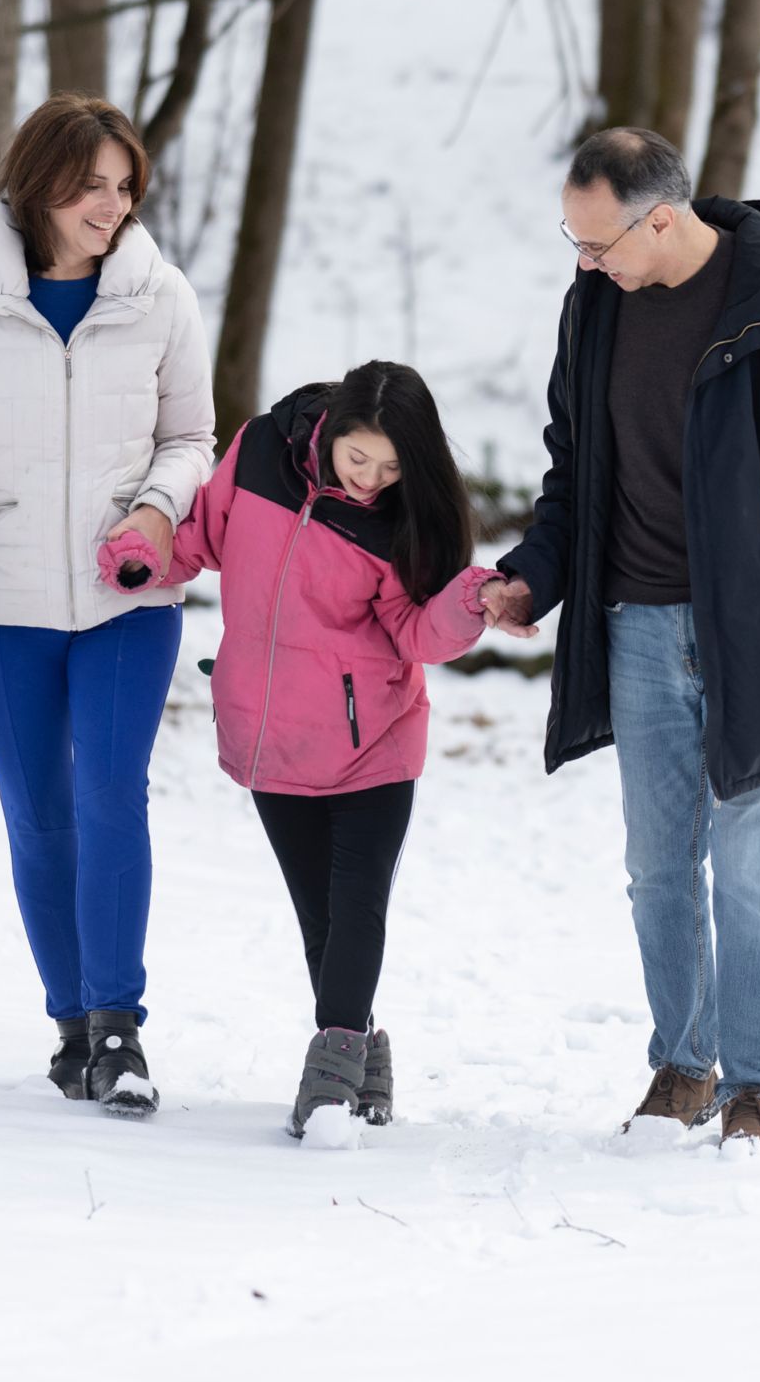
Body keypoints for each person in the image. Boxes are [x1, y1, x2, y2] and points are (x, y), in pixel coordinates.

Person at [479, 128, 760, 1151]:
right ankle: (683, 1064)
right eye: (571, 239)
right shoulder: (596, 309)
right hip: (635, 626)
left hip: (755, 639)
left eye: (597, 238)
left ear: (660, 217)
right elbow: (575, 470)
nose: (584, 259)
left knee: (748, 866)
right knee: (659, 864)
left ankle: (756, 1086)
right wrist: (536, 571)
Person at [0, 95, 214, 1118]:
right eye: (91, 185)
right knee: (36, 813)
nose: (112, 205)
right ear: (38, 186)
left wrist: (160, 510)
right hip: (6, 601)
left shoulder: (161, 296)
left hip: (129, 595)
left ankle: (119, 1025)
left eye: (125, 186)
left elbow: (193, 435)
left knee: (112, 791)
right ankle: (70, 1022)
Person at [102, 362, 500, 1139]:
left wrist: (468, 598)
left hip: (373, 739)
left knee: (357, 906)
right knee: (318, 917)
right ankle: (365, 1058)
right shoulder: (257, 454)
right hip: (270, 731)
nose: (371, 481)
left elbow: (417, 633)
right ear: (331, 431)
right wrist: (140, 554)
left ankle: (326, 1082)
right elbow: (201, 540)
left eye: (392, 469)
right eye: (360, 460)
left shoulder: (398, 517)